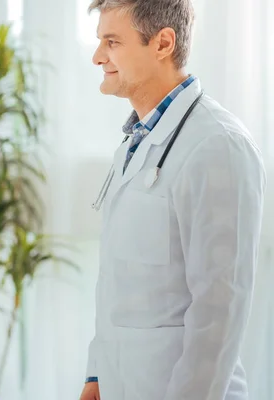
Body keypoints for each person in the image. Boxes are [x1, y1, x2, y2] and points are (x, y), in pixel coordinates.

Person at [80, 0, 266, 399]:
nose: (97, 57)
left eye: (112, 42)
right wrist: (97, 374)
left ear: (163, 43)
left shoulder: (218, 145)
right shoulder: (136, 142)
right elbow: (118, 281)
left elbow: (219, 312)